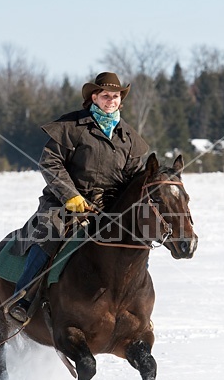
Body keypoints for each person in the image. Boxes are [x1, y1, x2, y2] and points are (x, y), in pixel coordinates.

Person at [8, 71, 149, 322]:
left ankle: (135, 305)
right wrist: (70, 196)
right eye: (106, 96)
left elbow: (135, 178)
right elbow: (50, 162)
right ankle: (23, 297)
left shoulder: (129, 138)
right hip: (65, 203)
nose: (111, 101)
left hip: (109, 208)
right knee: (51, 232)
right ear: (94, 97)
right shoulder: (72, 127)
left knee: (137, 242)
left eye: (115, 96)